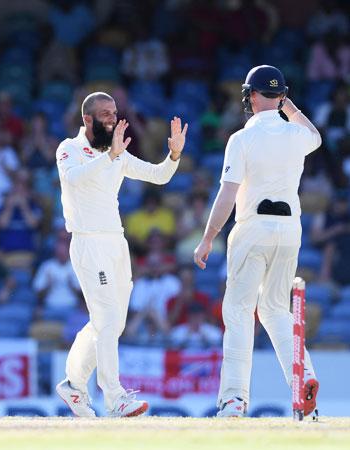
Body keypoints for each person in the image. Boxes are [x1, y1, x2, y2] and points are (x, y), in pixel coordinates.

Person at [193, 65, 321, 418]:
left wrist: (207, 238)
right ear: (281, 96)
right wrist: (288, 105)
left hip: (252, 229)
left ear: (249, 97)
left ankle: (234, 399)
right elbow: (316, 135)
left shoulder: (241, 139)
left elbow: (228, 194)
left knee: (237, 312)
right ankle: (305, 379)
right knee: (276, 311)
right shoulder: (296, 135)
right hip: (289, 231)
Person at [55, 91, 188, 418]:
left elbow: (158, 176)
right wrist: (110, 156)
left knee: (110, 323)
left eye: (114, 112)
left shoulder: (117, 153)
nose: (112, 118)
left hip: (116, 243)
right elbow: (75, 180)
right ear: (87, 119)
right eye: (105, 114)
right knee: (105, 319)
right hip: (88, 243)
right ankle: (115, 397)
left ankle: (73, 384)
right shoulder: (69, 149)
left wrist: (173, 155)